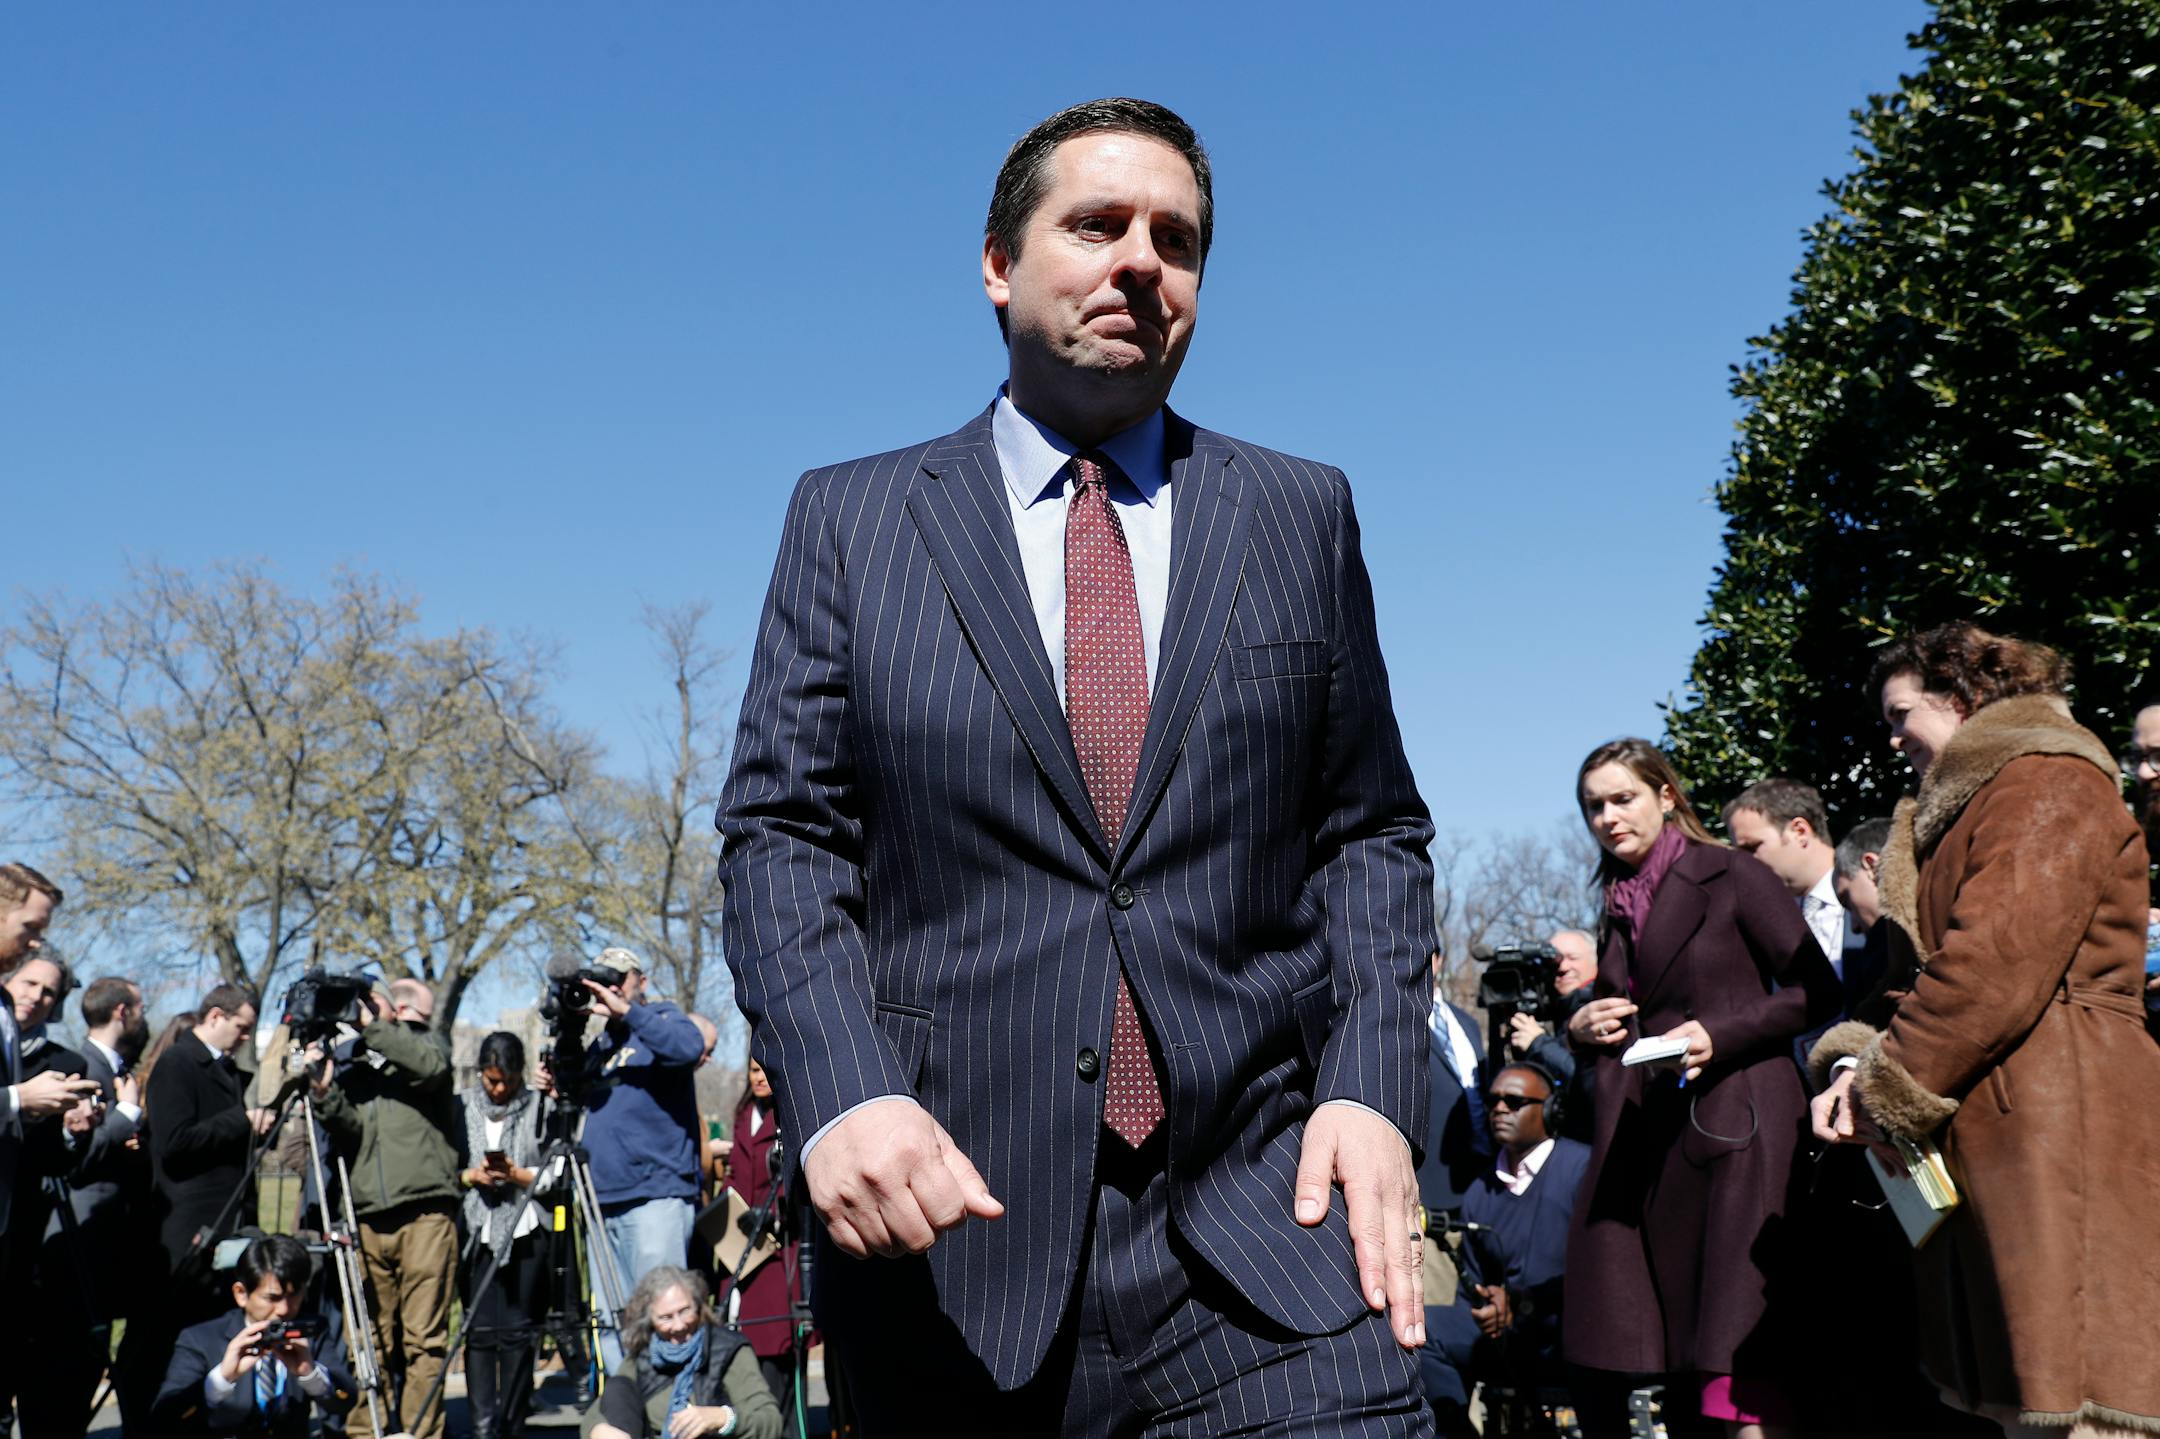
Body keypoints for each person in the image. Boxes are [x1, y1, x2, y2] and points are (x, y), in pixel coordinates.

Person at [718, 97, 1437, 1434]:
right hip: (954, 1242)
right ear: (999, 264)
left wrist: (1375, 1086)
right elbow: (783, 834)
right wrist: (839, 1089)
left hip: (1272, 1227)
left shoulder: (1299, 512)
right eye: (1097, 225)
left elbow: (1370, 831)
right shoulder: (854, 517)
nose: (1140, 261)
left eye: (1178, 238)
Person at [1810, 623, 2160, 1437]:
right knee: (2030, 1402)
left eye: (1902, 714)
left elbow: (1995, 961)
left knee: (2086, 1404)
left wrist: (1884, 1087)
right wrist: (1851, 1066)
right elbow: (1907, 981)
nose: (1893, 737)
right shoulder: (1962, 806)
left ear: (1962, 695)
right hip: (2002, 1124)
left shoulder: (2049, 778)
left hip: (2068, 1116)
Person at [1561, 738, 1839, 1439]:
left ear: (1666, 795)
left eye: (1622, 797)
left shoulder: (1734, 874)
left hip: (1746, 1124)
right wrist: (1584, 1023)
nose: (1607, 816)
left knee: (1741, 1350)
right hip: (1664, 1143)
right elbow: (1633, 1013)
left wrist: (1723, 1030)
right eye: (1594, 805)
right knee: (1688, 1351)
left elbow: (1819, 988)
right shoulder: (1617, 901)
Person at [537, 946, 704, 1372]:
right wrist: (557, 1083)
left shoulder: (662, 1018)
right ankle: (626, 1414)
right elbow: (578, 1101)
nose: (610, 988)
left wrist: (628, 1011)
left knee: (665, 1318)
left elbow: (688, 1048)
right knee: (613, 1322)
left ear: (640, 981)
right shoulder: (603, 1044)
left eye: (619, 978)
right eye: (603, 980)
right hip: (601, 1200)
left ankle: (671, 1415)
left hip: (654, 1196)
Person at [310, 976, 458, 1439]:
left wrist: (372, 1026)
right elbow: (350, 1131)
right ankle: (366, 1431)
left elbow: (431, 1068)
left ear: (391, 1009)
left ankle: (421, 1433)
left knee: (423, 1342)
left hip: (425, 1214)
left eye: (367, 1003)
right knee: (366, 1342)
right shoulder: (354, 1059)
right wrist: (324, 1093)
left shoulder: (426, 1043)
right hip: (367, 1216)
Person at [122, 985, 274, 1433]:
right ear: (215, 1016)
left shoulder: (223, 1069)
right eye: (241, 1027)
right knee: (166, 1334)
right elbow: (174, 1143)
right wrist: (239, 1121)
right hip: (186, 1229)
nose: (246, 1037)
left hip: (223, 1225)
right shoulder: (178, 1063)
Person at [1429, 1062, 1590, 1435]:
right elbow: (1466, 1291)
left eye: (1514, 1101)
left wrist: (1522, 1303)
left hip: (1567, 1337)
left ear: (1551, 1110)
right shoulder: (1478, 1192)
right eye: (1493, 1100)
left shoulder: (1583, 1168)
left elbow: (1602, 1277)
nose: (1499, 1109)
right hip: (1503, 1343)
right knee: (1423, 1328)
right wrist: (1485, 1309)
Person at [25, 974, 150, 1439]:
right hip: (76, 1241)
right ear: (123, 1011)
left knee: (82, 1370)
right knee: (61, 1371)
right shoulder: (82, 1066)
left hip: (107, 1245)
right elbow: (74, 1160)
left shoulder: (118, 1069)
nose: (143, 1017)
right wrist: (125, 1117)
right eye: (139, 1007)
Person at [153, 1232, 356, 1438]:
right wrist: (221, 1379)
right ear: (241, 1294)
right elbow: (165, 1419)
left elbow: (346, 1399)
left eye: (294, 1295)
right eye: (272, 1298)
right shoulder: (200, 1339)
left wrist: (310, 1374)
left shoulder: (309, 1332)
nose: (284, 1309)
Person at [456, 1031, 551, 1439]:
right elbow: (448, 1162)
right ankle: (481, 1425)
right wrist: (471, 1175)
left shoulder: (536, 1105)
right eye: (492, 1080)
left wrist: (516, 1174)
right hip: (476, 1227)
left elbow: (555, 1169)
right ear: (480, 1073)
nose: (499, 1089)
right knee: (478, 1330)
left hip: (525, 1227)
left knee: (516, 1330)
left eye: (508, 1081)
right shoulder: (461, 1106)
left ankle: (512, 1421)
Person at [582, 1265, 781, 1439]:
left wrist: (722, 1418)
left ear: (699, 1306)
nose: (679, 1325)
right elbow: (601, 1408)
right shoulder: (644, 1352)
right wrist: (598, 1429)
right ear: (649, 1319)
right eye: (666, 1317)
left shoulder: (728, 1350)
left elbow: (770, 1420)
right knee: (618, 1386)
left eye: (685, 1311)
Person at [714, 1059, 804, 1411]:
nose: (759, 1078)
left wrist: (772, 1214)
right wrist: (724, 1209)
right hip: (738, 1242)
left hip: (777, 1250)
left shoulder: (789, 1116)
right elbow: (734, 1174)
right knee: (740, 1345)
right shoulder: (744, 1116)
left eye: (765, 1070)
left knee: (775, 1349)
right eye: (753, 1071)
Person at [1724, 778, 1857, 969]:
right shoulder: (1764, 923)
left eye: (1753, 847)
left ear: (1800, 832)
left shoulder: (1873, 891)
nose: (1744, 862)